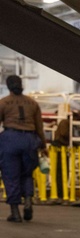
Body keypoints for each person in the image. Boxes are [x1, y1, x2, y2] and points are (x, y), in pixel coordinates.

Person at [0, 75, 45, 222]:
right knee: (27, 173)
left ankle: (15, 212)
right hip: (30, 139)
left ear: (8, 86)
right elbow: (39, 127)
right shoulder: (32, 103)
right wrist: (43, 144)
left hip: (10, 139)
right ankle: (28, 202)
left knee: (11, 175)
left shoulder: (3, 102)